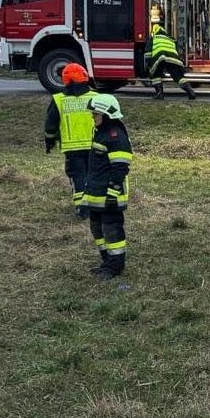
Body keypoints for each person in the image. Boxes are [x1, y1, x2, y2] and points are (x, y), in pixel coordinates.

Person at [80, 94, 132, 280]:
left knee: (112, 231)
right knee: (98, 229)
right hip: (96, 194)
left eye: (95, 114)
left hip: (109, 196)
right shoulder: (101, 132)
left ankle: (115, 267)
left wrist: (112, 193)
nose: (93, 117)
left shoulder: (115, 136)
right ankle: (106, 262)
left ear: (106, 114)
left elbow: (120, 167)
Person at [43, 62, 99, 219]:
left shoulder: (59, 100)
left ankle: (82, 209)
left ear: (65, 80)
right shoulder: (95, 97)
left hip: (72, 149)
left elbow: (50, 125)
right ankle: (95, 205)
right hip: (94, 146)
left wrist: (49, 142)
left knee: (77, 177)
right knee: (92, 175)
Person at [146, 20, 197, 100]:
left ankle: (160, 94)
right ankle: (190, 91)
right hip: (173, 58)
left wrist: (148, 65)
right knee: (178, 76)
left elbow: (148, 53)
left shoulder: (153, 38)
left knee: (155, 74)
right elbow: (177, 51)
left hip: (160, 57)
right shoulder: (170, 39)